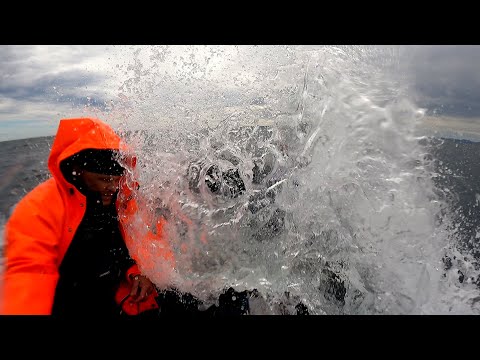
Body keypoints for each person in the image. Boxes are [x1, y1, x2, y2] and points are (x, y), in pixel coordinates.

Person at [0, 117, 173, 316]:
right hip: (67, 300)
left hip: (119, 293)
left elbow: (137, 242)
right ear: (78, 170)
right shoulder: (39, 207)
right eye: (103, 180)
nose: (112, 187)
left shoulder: (122, 199)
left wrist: (140, 272)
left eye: (117, 179)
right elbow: (29, 273)